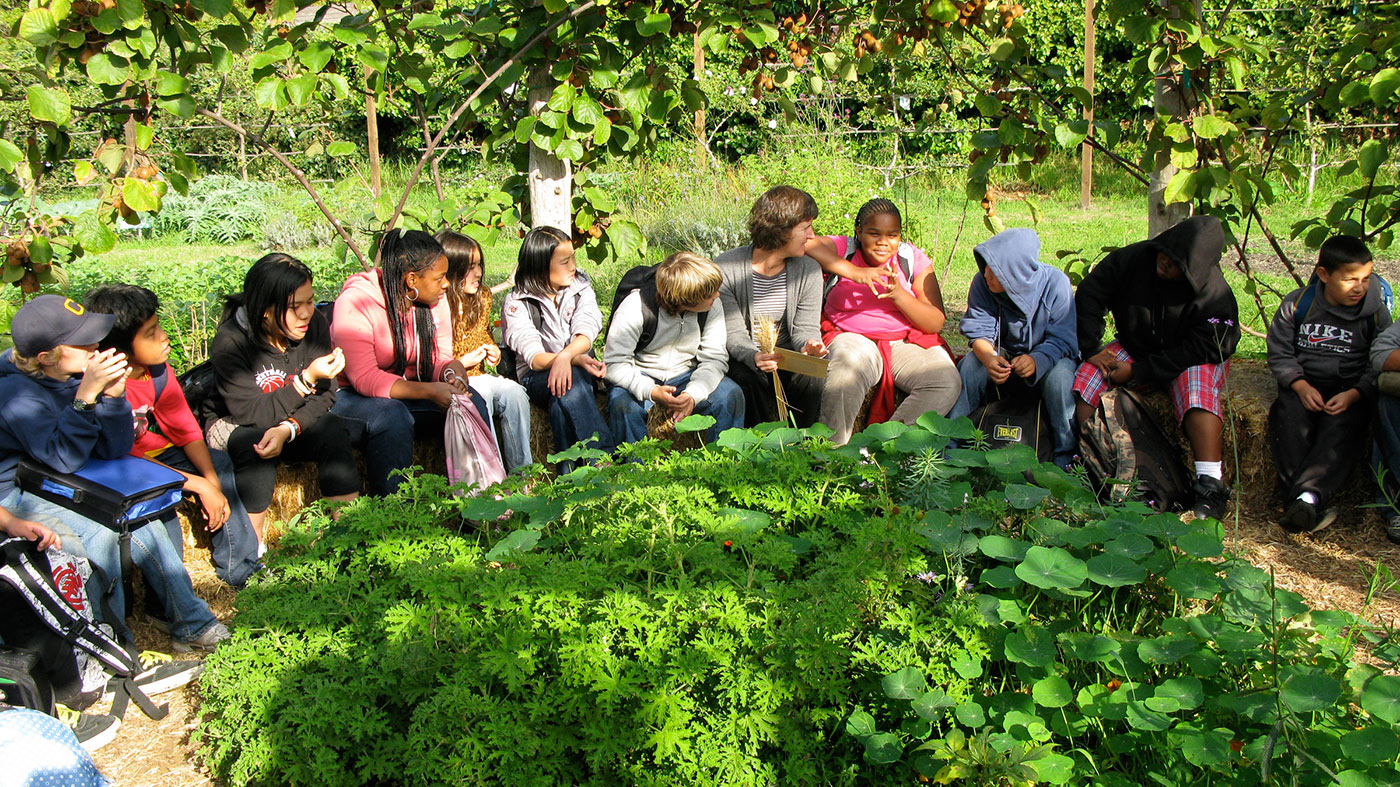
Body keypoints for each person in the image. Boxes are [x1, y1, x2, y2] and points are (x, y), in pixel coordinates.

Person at [0, 295, 228, 650]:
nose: (96, 346)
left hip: (56, 478)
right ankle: (110, 643)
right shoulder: (16, 394)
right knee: (102, 533)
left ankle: (192, 625)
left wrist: (114, 398)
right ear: (46, 358)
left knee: (145, 522)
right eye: (82, 342)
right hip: (16, 491)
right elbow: (63, 459)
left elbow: (113, 449)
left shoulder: (68, 375)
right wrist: (87, 396)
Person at [84, 284, 262, 585]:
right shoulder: (105, 385)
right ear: (119, 348)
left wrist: (214, 485)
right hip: (121, 465)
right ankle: (169, 593)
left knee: (219, 464)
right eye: (151, 332)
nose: (164, 336)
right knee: (161, 508)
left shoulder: (157, 372)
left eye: (160, 326)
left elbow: (185, 429)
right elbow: (123, 458)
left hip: (153, 452)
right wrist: (199, 487)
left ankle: (241, 568)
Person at [1073, 215, 1240, 520]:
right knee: (1089, 376)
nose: (1163, 262)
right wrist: (1093, 348)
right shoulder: (1134, 259)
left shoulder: (1215, 295)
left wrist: (1140, 372)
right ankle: (1093, 464)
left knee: (1196, 390)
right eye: (1163, 254)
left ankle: (1210, 484)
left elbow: (1212, 346)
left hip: (1187, 359)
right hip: (1136, 346)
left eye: (1175, 263)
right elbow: (1091, 292)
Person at [208, 254, 360, 534]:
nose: (306, 313)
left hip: (287, 419)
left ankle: (348, 535)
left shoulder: (312, 325)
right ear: (265, 310)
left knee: (333, 430)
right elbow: (251, 414)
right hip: (235, 422)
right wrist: (306, 379)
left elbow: (326, 396)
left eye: (310, 301)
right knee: (256, 448)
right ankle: (252, 553)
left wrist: (289, 429)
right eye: (294, 307)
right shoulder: (230, 342)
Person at [332, 229, 484, 495]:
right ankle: (395, 512)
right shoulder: (356, 303)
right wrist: (428, 391)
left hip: (406, 392)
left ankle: (478, 501)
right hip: (352, 397)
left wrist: (451, 373)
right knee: (392, 416)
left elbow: (439, 357)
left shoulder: (432, 299)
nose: (446, 284)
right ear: (411, 280)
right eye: (439, 278)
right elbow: (366, 379)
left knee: (472, 403)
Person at [804, 197, 960, 444]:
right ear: (859, 232)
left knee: (944, 381)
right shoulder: (845, 249)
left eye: (892, 235)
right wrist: (855, 272)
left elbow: (934, 322)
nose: (883, 242)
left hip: (902, 341)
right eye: (873, 233)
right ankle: (832, 456)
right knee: (844, 373)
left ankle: (884, 447)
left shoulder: (912, 259)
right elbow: (806, 242)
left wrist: (898, 295)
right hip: (851, 337)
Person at [1267, 236, 1390, 534]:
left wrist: (1356, 393)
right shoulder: (1298, 303)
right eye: (1350, 280)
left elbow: (1378, 361)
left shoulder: (1376, 314)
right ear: (1323, 274)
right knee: (1288, 420)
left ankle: (1305, 498)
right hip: (1304, 383)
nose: (1359, 287)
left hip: (1347, 389)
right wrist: (1298, 384)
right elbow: (1280, 350)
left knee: (1342, 430)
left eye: (1366, 278)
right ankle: (1304, 503)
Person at [948, 227, 1079, 469]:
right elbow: (979, 330)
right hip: (1003, 353)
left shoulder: (1056, 284)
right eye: (985, 265)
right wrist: (988, 357)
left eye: (995, 270)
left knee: (1061, 378)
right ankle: (951, 446)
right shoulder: (982, 283)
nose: (986, 273)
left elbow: (1063, 339)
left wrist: (1037, 360)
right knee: (970, 366)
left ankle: (1066, 457)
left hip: (1050, 357)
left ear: (1015, 273)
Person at [714, 186, 829, 428]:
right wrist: (754, 355)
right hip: (747, 355)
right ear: (782, 229)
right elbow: (732, 333)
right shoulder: (726, 267)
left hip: (787, 356)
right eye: (806, 227)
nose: (812, 235)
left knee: (813, 377)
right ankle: (761, 447)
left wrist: (809, 346)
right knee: (747, 379)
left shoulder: (808, 270)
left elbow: (805, 328)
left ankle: (803, 446)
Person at [603, 252, 744, 445]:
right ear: (687, 298)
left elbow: (714, 359)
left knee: (731, 394)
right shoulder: (636, 306)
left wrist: (692, 395)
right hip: (641, 375)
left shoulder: (712, 306)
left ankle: (726, 462)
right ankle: (634, 470)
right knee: (621, 404)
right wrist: (650, 391)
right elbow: (614, 364)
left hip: (686, 375)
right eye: (710, 293)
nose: (717, 295)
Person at [501, 226, 615, 462]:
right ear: (541, 265)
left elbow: (587, 329)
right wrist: (569, 359)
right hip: (537, 377)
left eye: (573, 257)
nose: (573, 266)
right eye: (564, 261)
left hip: (579, 370)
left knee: (561, 401)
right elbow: (534, 356)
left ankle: (567, 476)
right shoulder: (517, 303)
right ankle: (603, 459)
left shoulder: (580, 287)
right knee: (570, 381)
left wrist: (567, 358)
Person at [435, 229, 533, 471]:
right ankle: (493, 478)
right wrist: (462, 362)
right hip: (458, 380)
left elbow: (484, 333)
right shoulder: (437, 305)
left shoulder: (482, 297)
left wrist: (493, 351)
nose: (478, 272)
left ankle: (523, 474)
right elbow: (434, 357)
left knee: (515, 394)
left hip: (481, 375)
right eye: (470, 267)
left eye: (479, 264)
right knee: (482, 398)